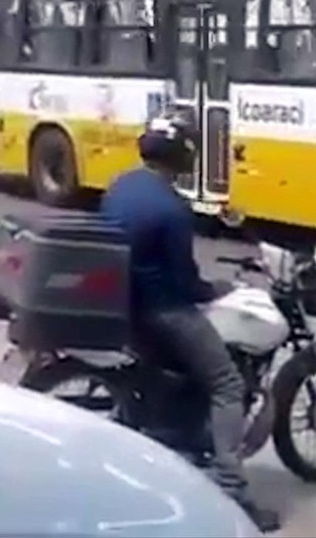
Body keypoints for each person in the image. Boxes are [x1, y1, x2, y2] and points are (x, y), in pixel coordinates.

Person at [99, 113, 281, 532]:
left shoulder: (122, 184)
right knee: (228, 384)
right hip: (162, 311)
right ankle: (233, 490)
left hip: (124, 302)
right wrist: (219, 288)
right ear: (183, 156)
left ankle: (189, 435)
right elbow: (185, 283)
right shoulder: (172, 209)